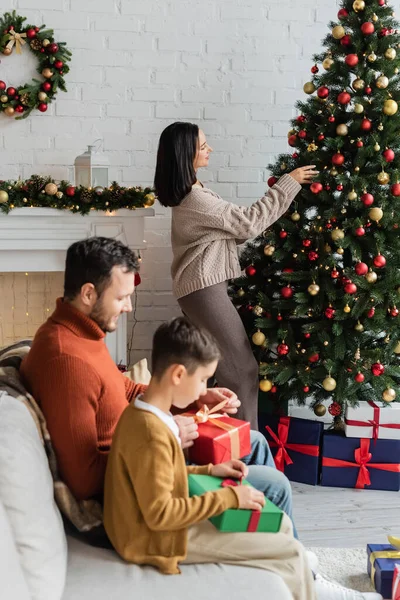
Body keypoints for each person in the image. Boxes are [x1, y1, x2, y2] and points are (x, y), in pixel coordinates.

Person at [19, 236, 294, 531]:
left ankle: (273, 548)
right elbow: (84, 481)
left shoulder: (86, 334)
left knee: (255, 441)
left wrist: (192, 397)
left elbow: (121, 390)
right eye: (121, 297)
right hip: (139, 481)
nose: (127, 307)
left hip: (147, 448)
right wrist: (168, 435)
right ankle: (295, 566)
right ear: (88, 294)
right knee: (275, 485)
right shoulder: (67, 361)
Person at [104, 317, 381, 600]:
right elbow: (161, 514)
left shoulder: (147, 414)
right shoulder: (151, 431)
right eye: (201, 380)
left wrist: (211, 469)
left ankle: (303, 581)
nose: (203, 391)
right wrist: (232, 498)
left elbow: (161, 475)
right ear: (177, 375)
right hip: (154, 540)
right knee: (287, 548)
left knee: (282, 526)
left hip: (156, 527)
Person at [154, 122, 319, 430]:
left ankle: (220, 443)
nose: (209, 149)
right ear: (184, 154)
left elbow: (231, 231)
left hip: (201, 288)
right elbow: (247, 224)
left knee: (215, 371)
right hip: (203, 291)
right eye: (203, 146)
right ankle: (248, 451)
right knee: (242, 370)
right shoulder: (196, 200)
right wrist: (289, 183)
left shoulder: (196, 192)